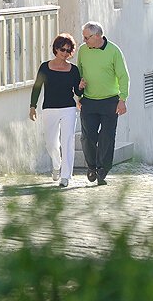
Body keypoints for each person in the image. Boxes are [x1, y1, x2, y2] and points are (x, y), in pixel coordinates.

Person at [76, 21, 129, 186]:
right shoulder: (83, 51)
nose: (84, 41)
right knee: (87, 137)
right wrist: (78, 93)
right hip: (89, 101)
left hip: (110, 101)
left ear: (97, 35)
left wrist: (122, 99)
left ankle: (102, 170)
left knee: (107, 137)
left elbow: (123, 76)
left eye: (87, 37)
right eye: (84, 37)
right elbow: (79, 73)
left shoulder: (114, 51)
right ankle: (91, 166)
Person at [29, 33, 84, 188]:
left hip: (68, 108)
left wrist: (80, 88)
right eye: (62, 49)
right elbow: (37, 87)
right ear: (56, 48)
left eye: (68, 50)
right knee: (51, 143)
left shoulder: (73, 70)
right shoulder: (45, 67)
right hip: (49, 109)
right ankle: (56, 164)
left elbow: (78, 93)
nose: (64, 53)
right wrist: (32, 106)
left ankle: (66, 176)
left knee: (67, 141)